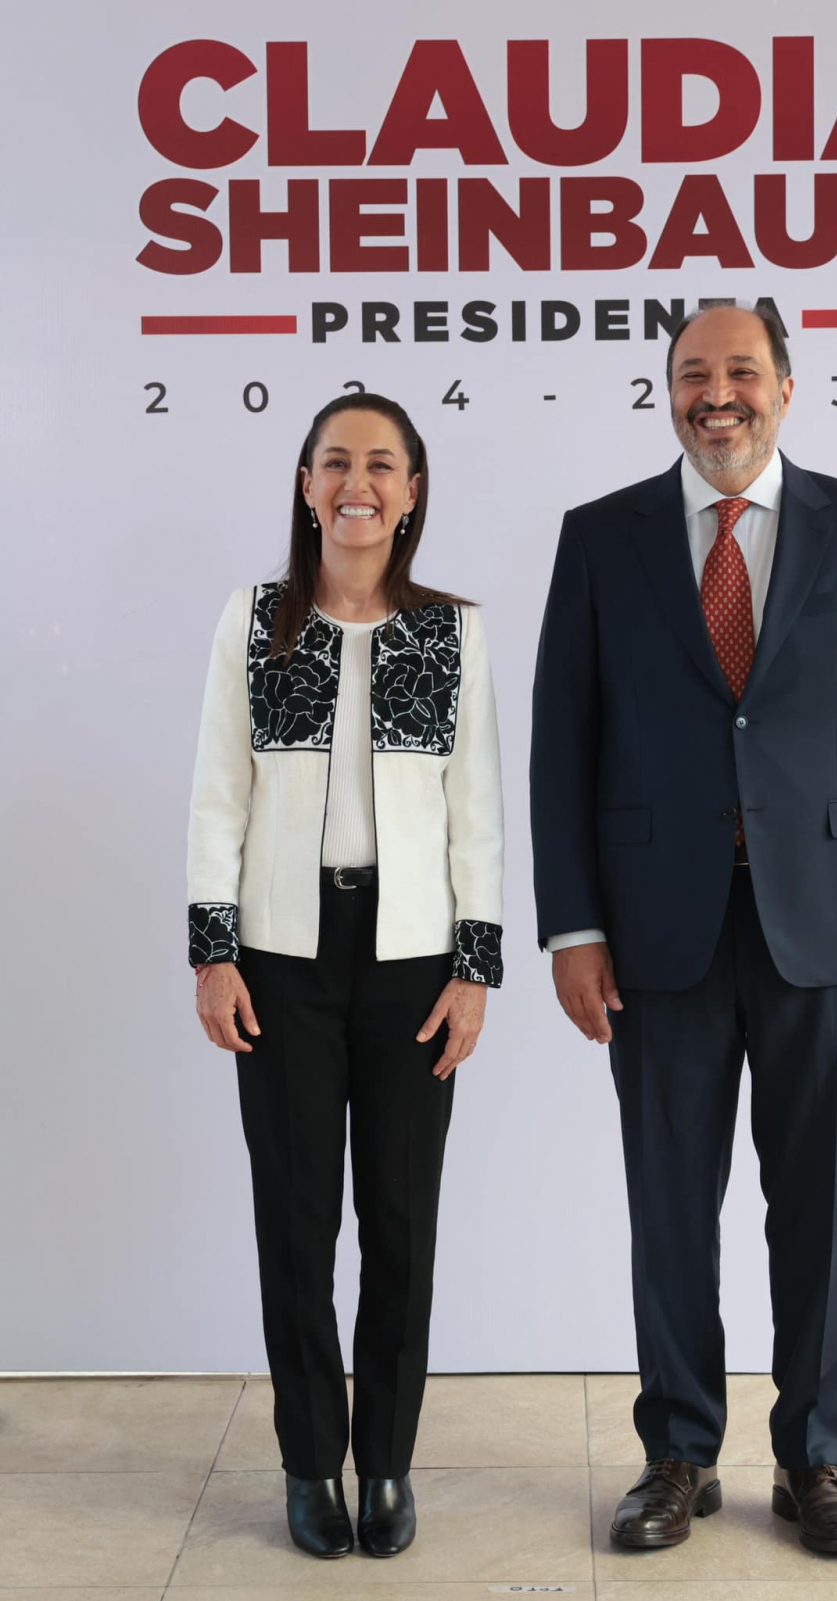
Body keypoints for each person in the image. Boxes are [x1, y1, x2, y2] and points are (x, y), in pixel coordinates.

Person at [530, 305, 837, 1556]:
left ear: (786, 386)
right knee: (669, 1204)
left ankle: (816, 1457)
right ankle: (678, 1450)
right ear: (668, 390)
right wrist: (573, 926)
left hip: (830, 930)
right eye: (692, 374)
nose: (717, 395)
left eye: (742, 372)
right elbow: (562, 745)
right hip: (654, 933)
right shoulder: (600, 536)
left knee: (821, 1206)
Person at [187, 392, 504, 1560]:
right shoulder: (255, 618)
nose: (356, 482)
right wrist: (214, 949)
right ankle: (311, 1460)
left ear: (412, 491)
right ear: (307, 484)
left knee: (402, 1222)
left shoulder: (453, 630)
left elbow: (478, 809)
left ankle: (389, 1465)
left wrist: (476, 968)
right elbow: (219, 791)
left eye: (380, 463)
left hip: (414, 957)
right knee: (297, 1221)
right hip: (282, 955)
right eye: (335, 461)